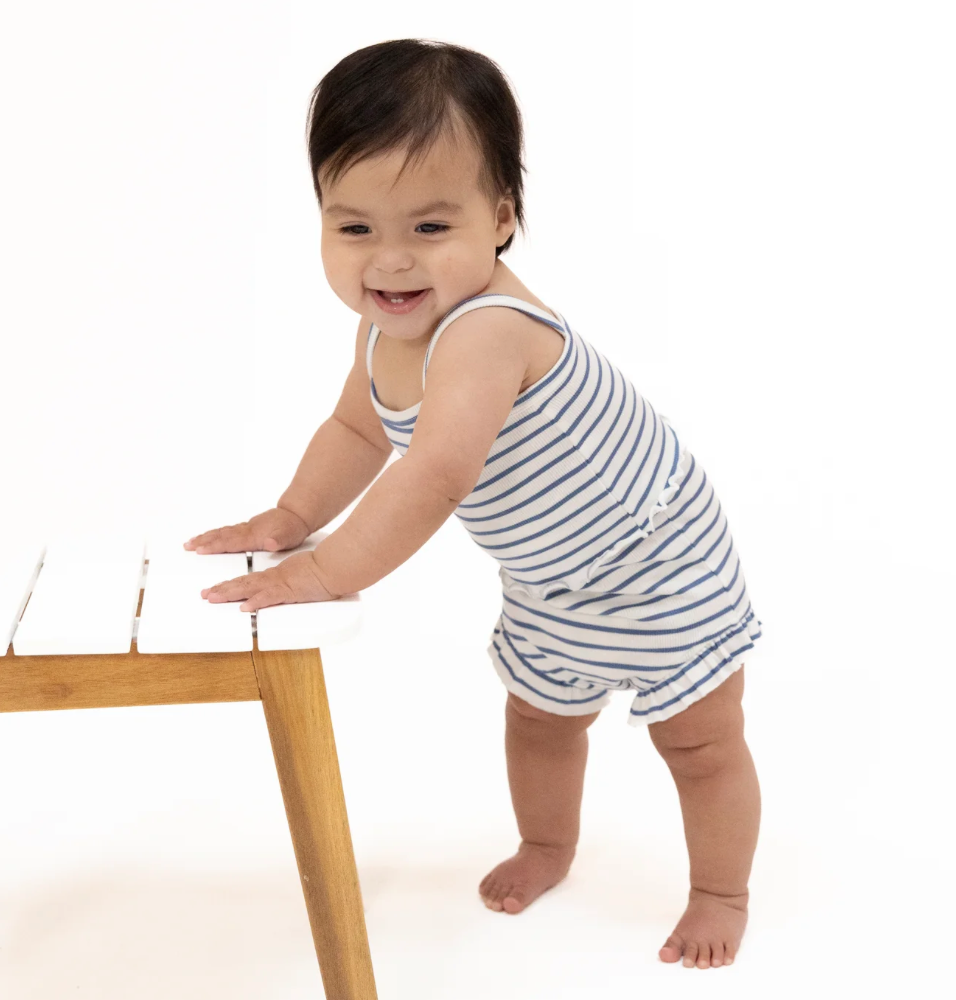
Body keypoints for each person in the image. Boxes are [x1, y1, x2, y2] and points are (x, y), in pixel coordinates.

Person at [185, 38, 764, 971]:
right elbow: (358, 432)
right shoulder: (383, 331)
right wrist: (291, 519)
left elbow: (435, 475)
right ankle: (548, 844)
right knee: (537, 720)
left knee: (700, 743)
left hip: (658, 562)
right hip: (548, 580)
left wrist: (323, 572)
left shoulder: (489, 329)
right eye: (355, 228)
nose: (390, 262)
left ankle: (721, 891)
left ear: (499, 220)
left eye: (429, 226)